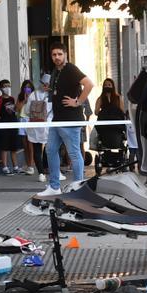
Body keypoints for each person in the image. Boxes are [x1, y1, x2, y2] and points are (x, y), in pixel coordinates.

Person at [42, 43, 93, 195]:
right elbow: (62, 88)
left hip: (71, 119)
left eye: (59, 54)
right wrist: (51, 90)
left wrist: (77, 102)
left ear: (65, 54)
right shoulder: (57, 71)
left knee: (74, 153)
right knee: (50, 150)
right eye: (54, 55)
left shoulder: (71, 69)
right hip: (57, 119)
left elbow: (89, 84)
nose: (56, 57)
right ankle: (54, 187)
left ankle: (78, 188)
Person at [25, 74, 51, 183]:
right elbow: (53, 112)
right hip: (48, 125)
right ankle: (46, 167)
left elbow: (27, 111)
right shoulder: (51, 96)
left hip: (35, 125)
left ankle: (41, 173)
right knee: (49, 147)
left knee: (36, 149)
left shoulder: (32, 95)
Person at [0, 79, 22, 175]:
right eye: (5, 86)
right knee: (4, 147)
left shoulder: (12, 99)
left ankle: (15, 166)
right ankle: (5, 167)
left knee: (13, 147)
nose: (7, 88)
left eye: (9, 86)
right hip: (4, 127)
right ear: (1, 88)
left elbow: (16, 110)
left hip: (13, 125)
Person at [15, 79, 36, 175]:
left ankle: (31, 165)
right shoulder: (20, 97)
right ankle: (28, 165)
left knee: (30, 143)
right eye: (25, 87)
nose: (27, 89)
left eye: (29, 87)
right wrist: (24, 99)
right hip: (22, 120)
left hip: (30, 120)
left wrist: (29, 99)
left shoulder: (34, 96)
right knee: (25, 144)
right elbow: (18, 109)